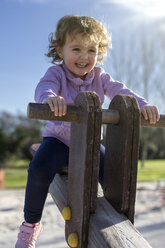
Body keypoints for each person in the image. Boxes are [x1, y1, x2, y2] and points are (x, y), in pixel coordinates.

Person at [15, 15, 160, 248]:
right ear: (60, 50)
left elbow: (121, 92)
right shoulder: (57, 74)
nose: (84, 56)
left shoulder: (100, 77)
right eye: (76, 49)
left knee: (113, 175)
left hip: (91, 144)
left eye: (91, 50)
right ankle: (30, 225)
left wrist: (143, 105)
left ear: (99, 52)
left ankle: (119, 224)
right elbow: (44, 88)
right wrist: (51, 99)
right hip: (59, 140)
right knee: (39, 170)